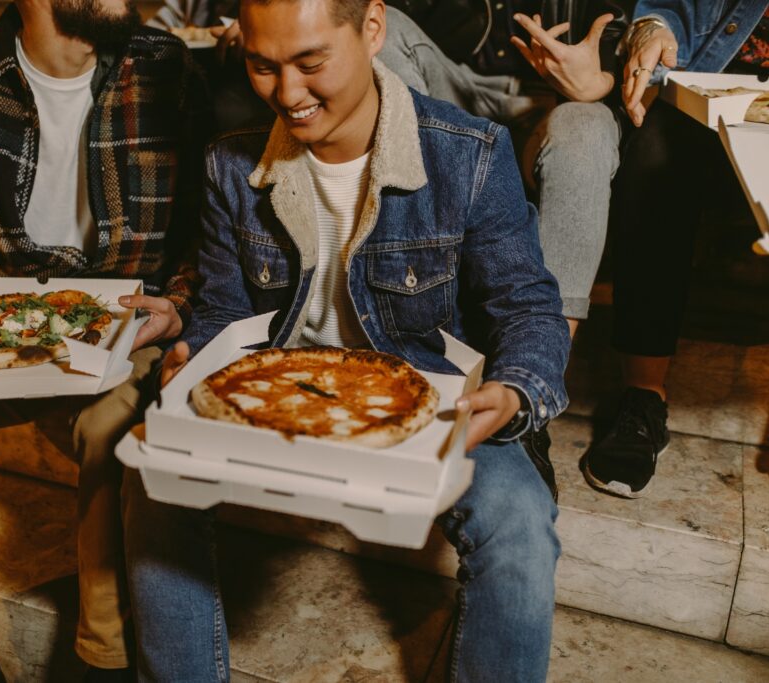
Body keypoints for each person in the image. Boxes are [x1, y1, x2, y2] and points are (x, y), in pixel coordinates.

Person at [123, 0, 569, 680]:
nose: (288, 94)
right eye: (261, 67)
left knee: (517, 515)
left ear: (371, 29)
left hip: (426, 398)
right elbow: (222, 308)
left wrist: (514, 390)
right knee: (149, 475)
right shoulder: (227, 165)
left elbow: (528, 306)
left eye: (310, 64)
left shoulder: (470, 154)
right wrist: (193, 356)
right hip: (273, 399)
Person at [0, 0, 210, 679]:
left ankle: (103, 658)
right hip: (11, 325)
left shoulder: (167, 72)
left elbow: (205, 228)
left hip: (129, 320)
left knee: (117, 419)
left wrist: (178, 304)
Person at [584, 0, 769, 516]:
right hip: (713, 79)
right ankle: (643, 396)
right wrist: (654, 28)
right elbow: (673, 7)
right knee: (656, 156)